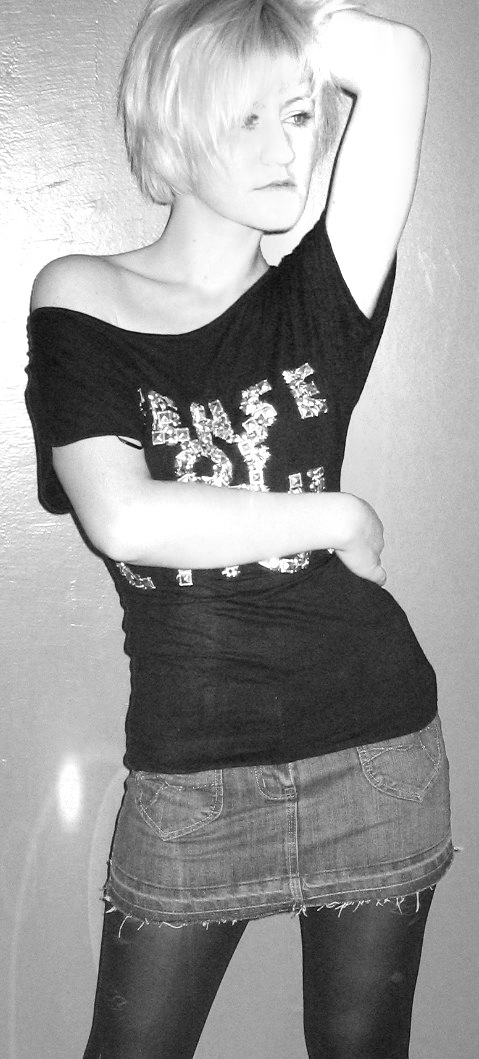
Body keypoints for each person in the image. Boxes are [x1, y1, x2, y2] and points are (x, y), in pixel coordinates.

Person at [25, 1, 454, 1055]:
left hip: (375, 750)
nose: (284, 148)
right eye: (244, 118)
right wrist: (335, 512)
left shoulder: (321, 292)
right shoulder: (80, 296)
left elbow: (397, 57)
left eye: (298, 116)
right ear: (174, 126)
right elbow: (125, 516)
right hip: (193, 771)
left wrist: (270, 41)